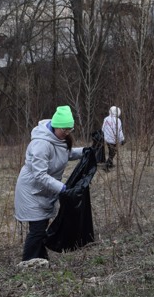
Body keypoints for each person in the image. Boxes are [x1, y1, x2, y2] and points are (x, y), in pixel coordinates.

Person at [14, 105, 84, 263]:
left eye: (69, 130)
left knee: (41, 226)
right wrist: (62, 188)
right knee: (37, 230)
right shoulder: (41, 144)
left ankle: (40, 260)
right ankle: (28, 262)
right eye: (64, 130)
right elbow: (40, 174)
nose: (66, 133)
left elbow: (67, 153)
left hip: (44, 190)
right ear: (55, 126)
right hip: (31, 191)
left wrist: (85, 151)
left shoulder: (60, 139)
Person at [101, 106, 125, 170]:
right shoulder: (118, 120)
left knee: (111, 151)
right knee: (113, 152)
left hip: (107, 139)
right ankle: (106, 165)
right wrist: (122, 139)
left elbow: (103, 129)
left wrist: (106, 134)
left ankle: (110, 164)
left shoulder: (106, 119)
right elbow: (119, 131)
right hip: (114, 139)